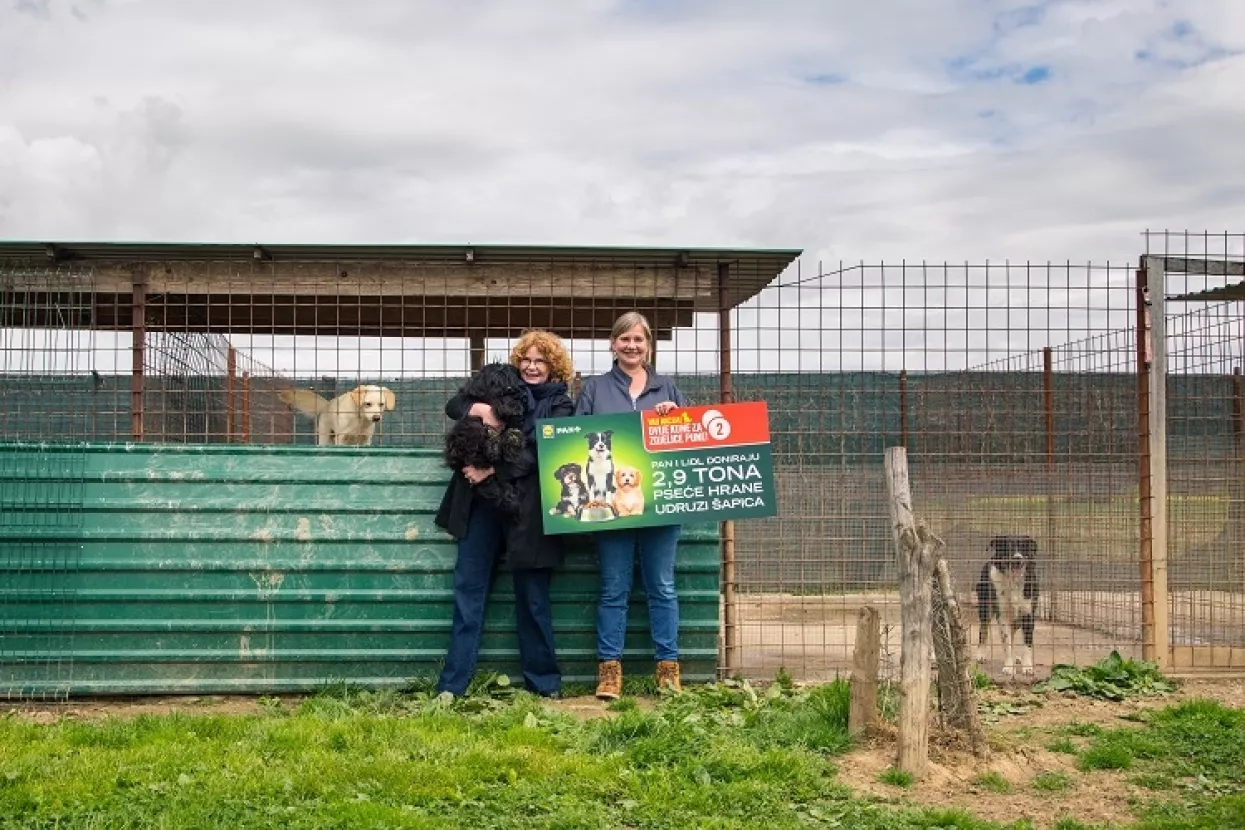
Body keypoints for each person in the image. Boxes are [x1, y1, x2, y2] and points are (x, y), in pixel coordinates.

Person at [434, 329, 575, 698]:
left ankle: (544, 685)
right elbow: (454, 406)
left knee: (532, 599)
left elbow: (545, 452)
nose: (531, 366)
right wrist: (479, 409)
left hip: (529, 511)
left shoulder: (560, 404)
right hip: (480, 504)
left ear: (553, 366)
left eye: (540, 361)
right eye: (526, 360)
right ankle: (453, 685)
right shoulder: (499, 385)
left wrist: (494, 470)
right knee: (469, 591)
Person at [575, 311, 690, 700]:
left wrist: (674, 418)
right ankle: (609, 671)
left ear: (648, 346)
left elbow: (689, 441)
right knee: (613, 588)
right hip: (610, 506)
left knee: (662, 587)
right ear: (613, 344)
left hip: (661, 506)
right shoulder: (594, 389)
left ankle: (668, 669)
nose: (631, 346)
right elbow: (575, 440)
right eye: (624, 339)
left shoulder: (668, 389)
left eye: (638, 340)